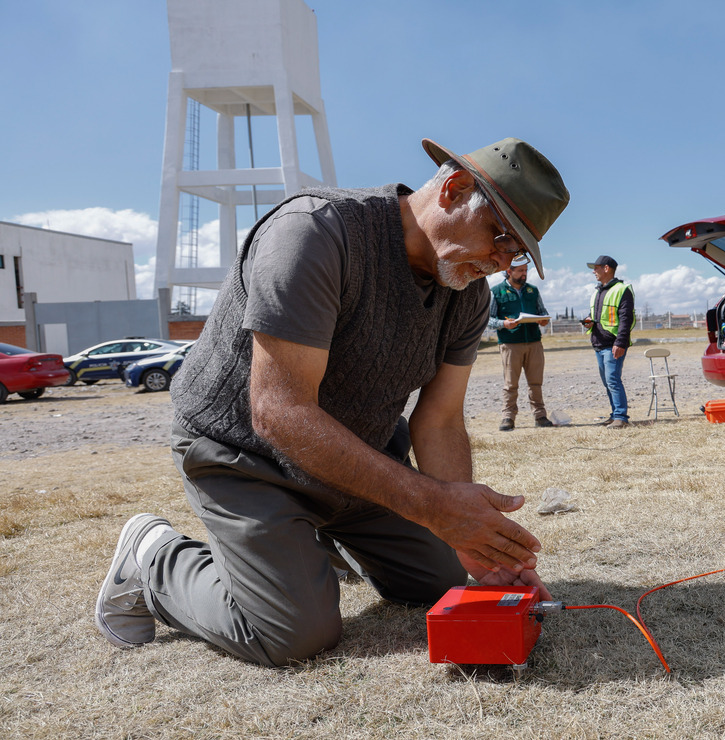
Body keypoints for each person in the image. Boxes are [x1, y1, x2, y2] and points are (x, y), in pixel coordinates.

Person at [94, 137, 570, 667]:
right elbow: (279, 413)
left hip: (356, 456)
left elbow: (439, 420)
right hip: (246, 455)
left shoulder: (467, 294)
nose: (503, 262)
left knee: (437, 581)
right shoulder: (317, 234)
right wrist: (431, 506)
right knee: (293, 636)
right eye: (500, 235)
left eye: (519, 252)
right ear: (455, 188)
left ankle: (316, 546)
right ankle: (155, 557)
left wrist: (468, 533)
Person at [489, 263, 553, 431]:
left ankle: (540, 416)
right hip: (510, 345)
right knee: (510, 384)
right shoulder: (496, 291)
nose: (524, 274)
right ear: (509, 271)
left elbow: (542, 311)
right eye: (520, 271)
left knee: (535, 382)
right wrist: (503, 323)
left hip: (534, 343)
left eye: (526, 270)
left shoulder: (533, 290)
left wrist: (543, 319)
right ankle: (508, 418)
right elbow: (488, 319)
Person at [581, 255, 634, 429]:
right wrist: (589, 321)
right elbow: (599, 317)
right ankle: (614, 415)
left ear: (606, 268)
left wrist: (620, 343)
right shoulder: (598, 291)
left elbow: (626, 319)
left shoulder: (622, 289)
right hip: (598, 343)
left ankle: (621, 416)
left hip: (613, 344)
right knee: (607, 382)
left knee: (613, 380)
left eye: (596, 268)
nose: (593, 271)